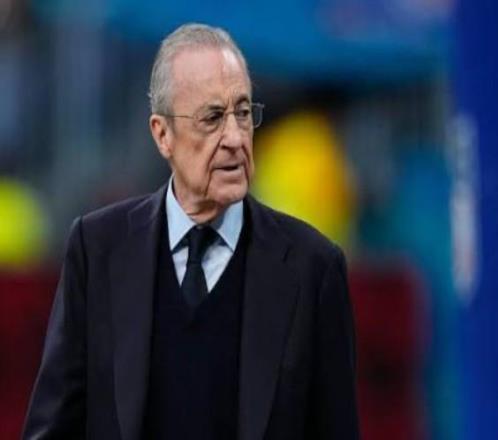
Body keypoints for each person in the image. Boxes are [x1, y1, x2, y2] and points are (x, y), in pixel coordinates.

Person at [23, 23, 359, 440]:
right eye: (212, 118)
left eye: (243, 113)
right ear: (163, 134)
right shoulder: (97, 249)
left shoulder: (314, 267)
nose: (234, 138)